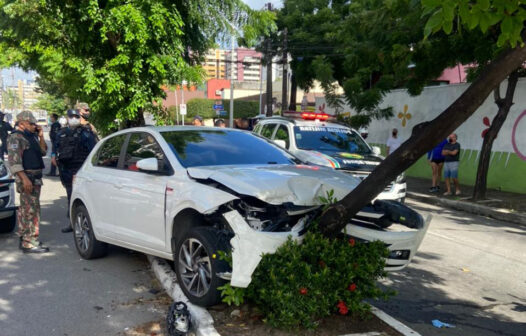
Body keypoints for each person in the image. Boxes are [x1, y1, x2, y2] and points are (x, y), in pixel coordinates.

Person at [7, 111, 49, 253]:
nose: (34, 126)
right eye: (31, 124)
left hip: (35, 178)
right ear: (22, 123)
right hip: (28, 178)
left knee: (30, 209)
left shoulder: (31, 137)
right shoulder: (15, 138)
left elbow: (43, 152)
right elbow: (14, 162)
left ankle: (28, 238)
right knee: (30, 211)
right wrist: (24, 179)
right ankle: (29, 242)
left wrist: (41, 136)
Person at [53, 109, 97, 232]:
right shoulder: (61, 133)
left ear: (79, 118)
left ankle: (85, 224)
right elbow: (56, 148)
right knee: (70, 197)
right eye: (71, 116)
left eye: (75, 116)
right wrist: (53, 156)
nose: (73, 118)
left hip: (80, 171)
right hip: (66, 170)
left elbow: (92, 153)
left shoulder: (86, 133)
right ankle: (73, 223)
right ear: (67, 117)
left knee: (83, 198)